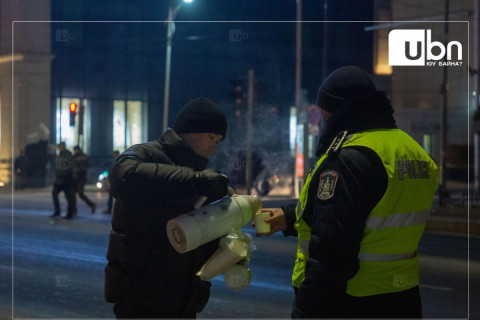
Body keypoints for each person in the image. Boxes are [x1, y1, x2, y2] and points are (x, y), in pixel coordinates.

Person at [260, 66, 439, 318]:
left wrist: (305, 312)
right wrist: (289, 217)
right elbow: (376, 206)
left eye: (324, 115)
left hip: (353, 301)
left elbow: (331, 254)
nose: (323, 122)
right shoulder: (415, 153)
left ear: (339, 112)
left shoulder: (350, 158)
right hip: (403, 299)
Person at [104, 97, 230, 318]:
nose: (214, 145)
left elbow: (196, 239)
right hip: (141, 296)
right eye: (211, 137)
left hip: (184, 301)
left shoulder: (201, 176)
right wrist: (196, 180)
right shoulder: (148, 153)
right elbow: (122, 176)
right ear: (191, 130)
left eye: (218, 141)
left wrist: (228, 246)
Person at [51, 142, 75, 219]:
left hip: (65, 180)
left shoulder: (66, 155)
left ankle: (69, 213)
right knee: (56, 194)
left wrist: (63, 174)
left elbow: (68, 167)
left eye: (59, 147)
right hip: (60, 179)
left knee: (68, 197)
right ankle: (59, 211)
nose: (58, 148)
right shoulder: (62, 154)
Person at [72, 146, 96, 214]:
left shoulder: (82, 157)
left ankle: (92, 204)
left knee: (80, 194)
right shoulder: (75, 157)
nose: (75, 151)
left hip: (80, 179)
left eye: (76, 150)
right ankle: (74, 209)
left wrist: (77, 171)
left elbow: (82, 168)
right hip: (75, 178)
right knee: (73, 194)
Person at [103, 150, 120, 214]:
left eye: (114, 154)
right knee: (112, 196)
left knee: (117, 197)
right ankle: (110, 209)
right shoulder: (114, 161)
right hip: (114, 181)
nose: (113, 155)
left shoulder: (118, 161)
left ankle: (113, 209)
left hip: (117, 181)